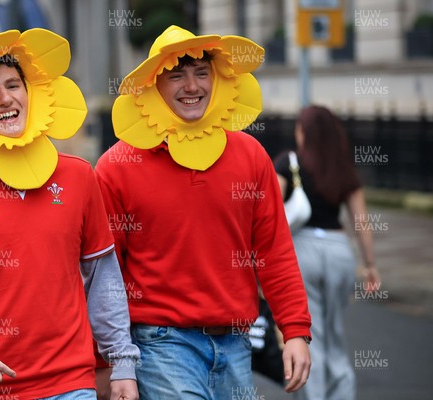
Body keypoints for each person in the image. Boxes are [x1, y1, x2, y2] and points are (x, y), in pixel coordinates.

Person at [0, 29, 139, 400]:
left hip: (69, 383)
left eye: (13, 85)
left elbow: (103, 281)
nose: (4, 98)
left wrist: (122, 363)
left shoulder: (79, 176)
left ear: (31, 94)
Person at [94, 25, 311, 399]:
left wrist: (294, 330)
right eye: (176, 75)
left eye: (201, 73)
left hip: (236, 343)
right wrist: (109, 362)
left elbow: (273, 250)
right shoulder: (117, 167)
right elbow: (102, 274)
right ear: (152, 87)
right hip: (159, 345)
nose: (191, 86)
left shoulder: (251, 155)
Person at [275, 105, 381, 400]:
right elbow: (361, 222)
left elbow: (268, 212)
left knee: (312, 335)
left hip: (303, 251)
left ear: (303, 132)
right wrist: (370, 265)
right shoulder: (344, 167)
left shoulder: (288, 162)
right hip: (339, 252)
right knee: (334, 333)